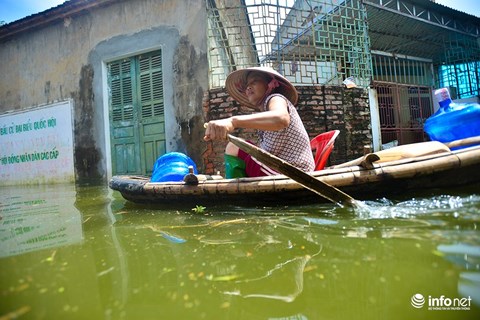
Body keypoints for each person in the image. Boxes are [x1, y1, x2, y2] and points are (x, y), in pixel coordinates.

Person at [204, 67, 315, 178]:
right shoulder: (266, 114)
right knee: (236, 145)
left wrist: (233, 122)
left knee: (234, 147)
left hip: (296, 172)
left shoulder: (276, 98)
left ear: (270, 85)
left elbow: (281, 119)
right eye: (247, 85)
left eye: (255, 81)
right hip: (280, 169)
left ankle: (235, 193)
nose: (248, 87)